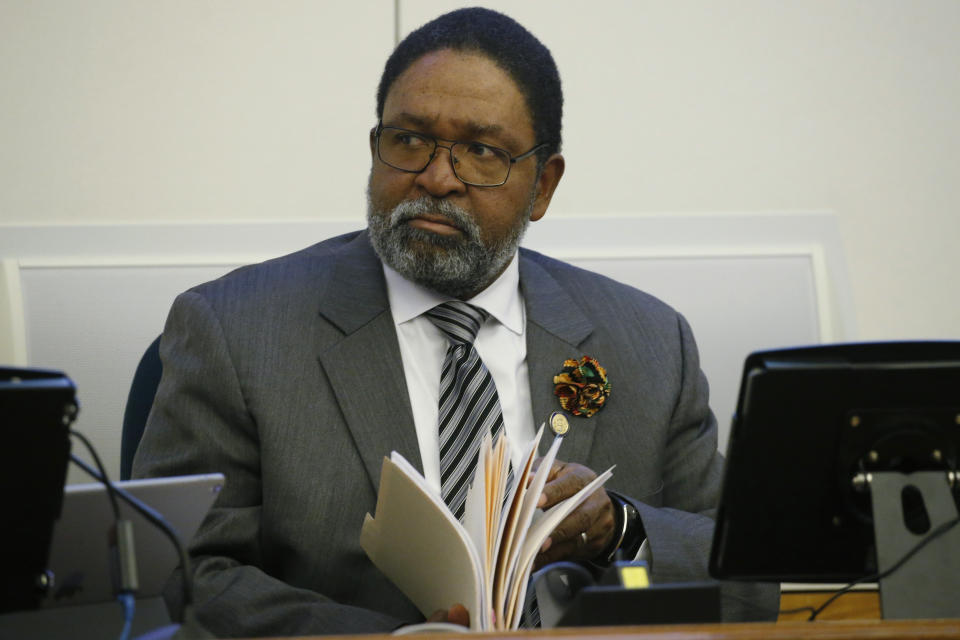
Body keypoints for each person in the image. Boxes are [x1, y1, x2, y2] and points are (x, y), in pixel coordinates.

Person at [133, 7, 779, 637]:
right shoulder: (237, 331)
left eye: (481, 151)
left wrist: (622, 530)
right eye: (408, 140)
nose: (437, 178)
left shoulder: (649, 342)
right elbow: (181, 571)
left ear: (543, 186)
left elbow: (749, 579)